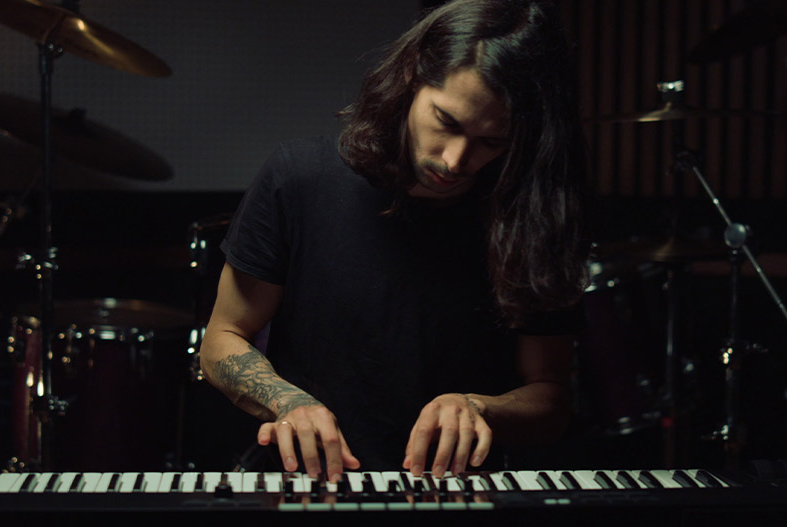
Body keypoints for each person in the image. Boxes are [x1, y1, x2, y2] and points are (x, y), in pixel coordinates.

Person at [200, 0, 588, 484]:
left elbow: (550, 396)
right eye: (447, 122)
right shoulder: (300, 178)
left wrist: (478, 408)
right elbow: (221, 339)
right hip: (311, 486)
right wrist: (288, 402)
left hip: (465, 492)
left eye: (492, 142)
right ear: (411, 77)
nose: (455, 159)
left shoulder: (532, 212)